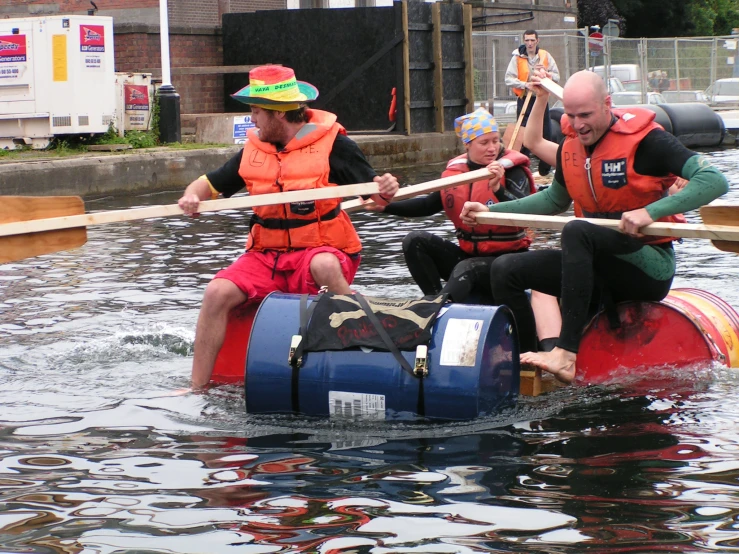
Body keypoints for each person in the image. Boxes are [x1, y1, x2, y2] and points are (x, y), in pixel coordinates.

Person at [460, 70, 729, 384]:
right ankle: (533, 366)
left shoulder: (648, 141)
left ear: (607, 104)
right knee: (506, 269)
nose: (578, 124)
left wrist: (649, 212)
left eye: (586, 115)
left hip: (647, 266)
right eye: (572, 116)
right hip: (595, 264)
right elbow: (552, 201)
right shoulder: (571, 146)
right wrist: (490, 211)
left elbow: (714, 181)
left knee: (576, 230)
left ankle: (566, 353)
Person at [178, 65, 399, 389]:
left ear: (278, 114)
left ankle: (369, 343)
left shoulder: (335, 145)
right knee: (216, 291)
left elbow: (376, 195)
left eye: (255, 112)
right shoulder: (253, 151)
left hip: (322, 249)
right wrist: (190, 196)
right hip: (266, 255)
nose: (251, 119)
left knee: (323, 265)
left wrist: (387, 188)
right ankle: (196, 387)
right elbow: (209, 184)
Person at [375, 107, 561, 349]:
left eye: (495, 141)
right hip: (472, 255)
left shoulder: (512, 170)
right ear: (467, 145)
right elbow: (426, 205)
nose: (492, 148)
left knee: (467, 268)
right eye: (484, 142)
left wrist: (498, 191)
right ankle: (432, 305)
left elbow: (525, 210)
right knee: (415, 241)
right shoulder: (456, 173)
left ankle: (432, 317)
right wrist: (384, 206)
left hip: (508, 262)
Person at [504, 29, 560, 177]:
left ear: (537, 41)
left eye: (532, 40)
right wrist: (525, 84)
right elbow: (508, 79)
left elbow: (556, 76)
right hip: (524, 100)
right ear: (524, 41)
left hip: (541, 99)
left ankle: (545, 170)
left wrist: (547, 76)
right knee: (522, 134)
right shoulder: (517, 58)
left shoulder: (545, 56)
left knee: (545, 132)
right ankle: (522, 169)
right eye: (527, 40)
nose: (529, 43)